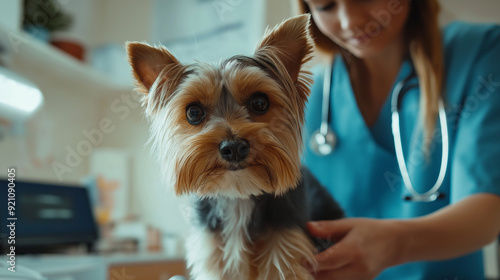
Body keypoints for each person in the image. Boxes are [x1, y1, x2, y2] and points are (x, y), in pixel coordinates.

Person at [297, 0, 500, 279]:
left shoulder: (480, 52)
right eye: (326, 6)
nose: (349, 22)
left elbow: (487, 216)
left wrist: (395, 244)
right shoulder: (304, 97)